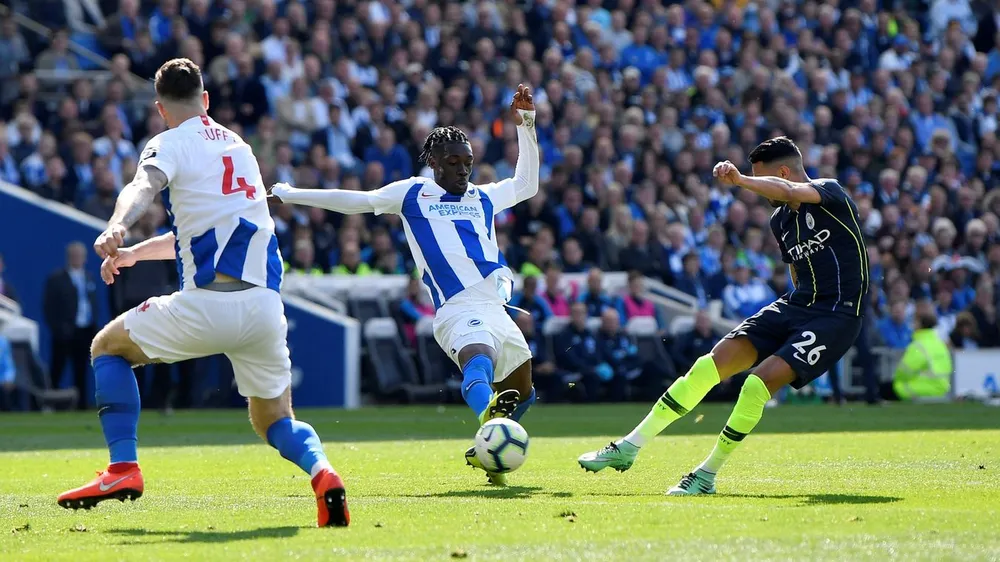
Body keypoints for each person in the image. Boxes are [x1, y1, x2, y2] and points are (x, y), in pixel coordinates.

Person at [56, 59, 349, 528]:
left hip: (207, 305)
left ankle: (122, 469)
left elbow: (143, 185)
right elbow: (199, 231)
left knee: (106, 348)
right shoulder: (241, 148)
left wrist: (117, 225)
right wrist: (133, 253)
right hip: (264, 308)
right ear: (205, 99)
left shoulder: (169, 143)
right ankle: (323, 473)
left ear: (160, 109)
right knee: (273, 420)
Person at [269, 84, 539, 485]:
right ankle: (488, 424)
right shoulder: (413, 193)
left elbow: (527, 183)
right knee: (477, 361)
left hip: (495, 307)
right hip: (457, 309)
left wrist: (526, 124)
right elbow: (356, 200)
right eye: (454, 162)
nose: (464, 170)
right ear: (434, 162)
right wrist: (292, 195)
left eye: (468, 162)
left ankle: (489, 455)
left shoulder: (482, 198)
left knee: (524, 391)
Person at [578, 137, 869, 495]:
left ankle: (706, 475)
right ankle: (629, 447)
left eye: (761, 179)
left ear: (780, 173)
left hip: (837, 314)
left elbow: (788, 188)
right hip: (797, 304)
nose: (762, 191)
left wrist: (741, 181)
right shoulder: (780, 221)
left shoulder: (830, 193)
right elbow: (795, 269)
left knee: (755, 384)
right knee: (706, 366)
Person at [43, 242, 98, 408]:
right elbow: (49, 306)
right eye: (74, 256)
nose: (77, 259)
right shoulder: (57, 279)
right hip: (65, 331)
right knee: (58, 367)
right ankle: (51, 403)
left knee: (81, 369)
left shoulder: (89, 277)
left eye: (80, 256)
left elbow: (92, 303)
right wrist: (58, 328)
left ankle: (81, 404)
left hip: (85, 329)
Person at [888, 308, 952, 401]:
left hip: (922, 388)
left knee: (888, 388)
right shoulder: (940, 344)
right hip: (942, 388)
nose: (913, 324)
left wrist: (897, 380)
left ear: (920, 324)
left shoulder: (918, 345)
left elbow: (904, 371)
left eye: (914, 321)